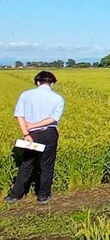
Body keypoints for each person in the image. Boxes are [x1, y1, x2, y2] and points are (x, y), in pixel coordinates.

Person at [5, 71, 65, 204]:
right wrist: (34, 125)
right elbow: (53, 118)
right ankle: (43, 196)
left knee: (27, 164)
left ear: (37, 82)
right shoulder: (58, 98)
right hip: (49, 134)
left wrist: (27, 132)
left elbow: (19, 115)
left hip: (31, 135)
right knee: (47, 165)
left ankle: (15, 195)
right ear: (52, 83)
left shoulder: (25, 95)